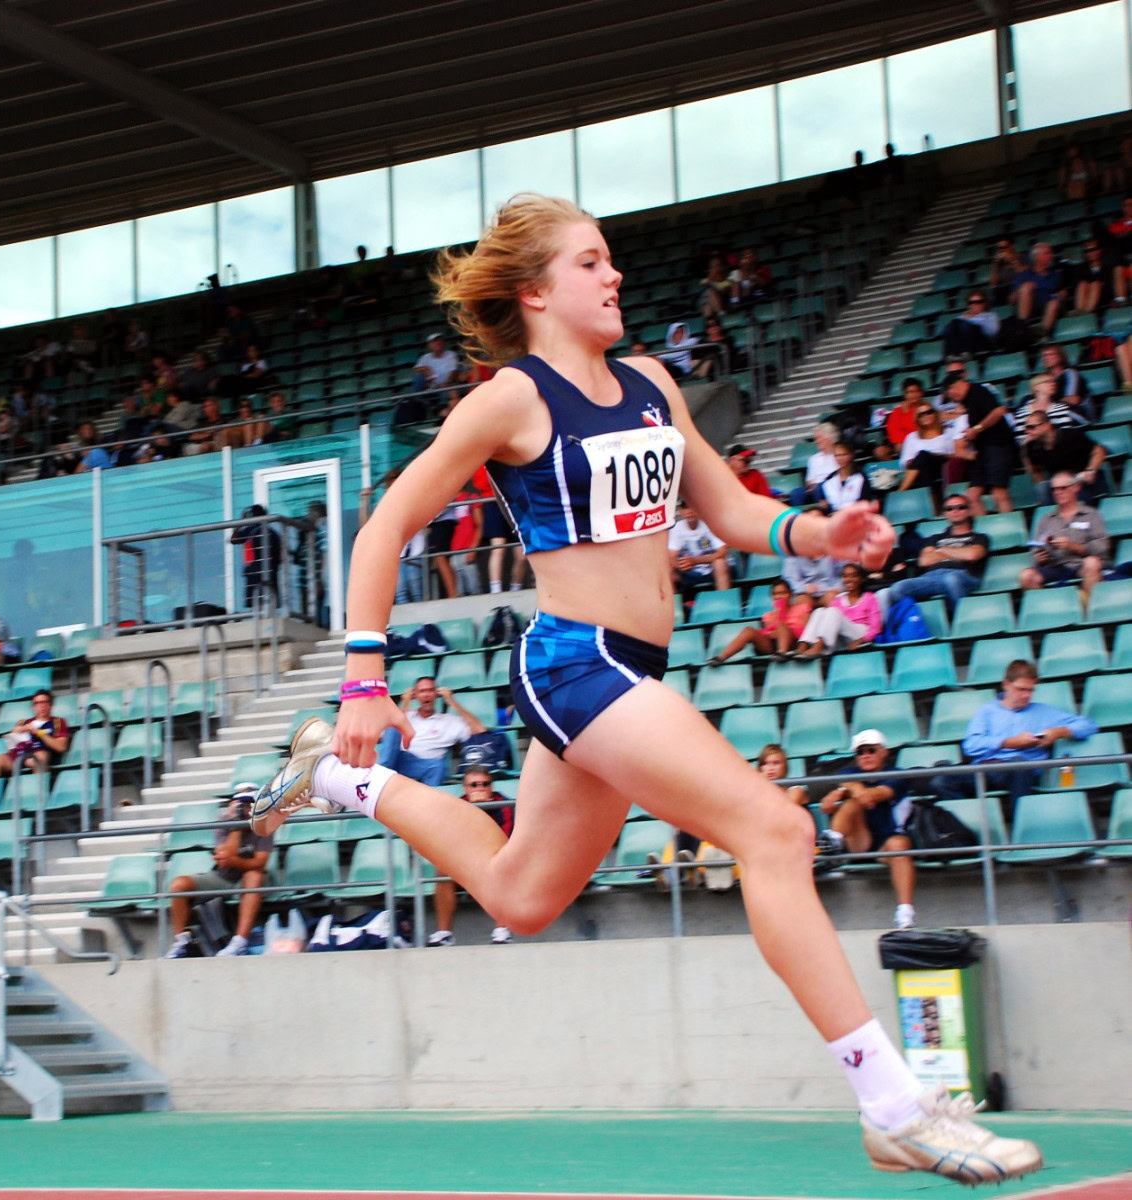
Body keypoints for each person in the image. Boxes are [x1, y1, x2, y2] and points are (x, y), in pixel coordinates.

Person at [245, 194, 1038, 1183]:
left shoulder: (653, 382)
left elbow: (731, 508)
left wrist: (815, 534)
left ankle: (335, 781)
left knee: (519, 893)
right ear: (535, 291)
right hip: (576, 659)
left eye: (611, 259)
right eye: (589, 263)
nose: (613, 276)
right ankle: (892, 1104)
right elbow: (383, 527)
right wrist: (365, 678)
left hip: (635, 666)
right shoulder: (511, 400)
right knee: (777, 832)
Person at [936, 659, 1097, 818]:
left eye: (1030, 690)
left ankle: (1021, 834)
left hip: (1021, 769)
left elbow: (1088, 725)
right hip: (987, 769)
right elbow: (971, 746)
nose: (1026, 695)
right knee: (941, 781)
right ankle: (966, 830)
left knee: (1019, 765)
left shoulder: (1043, 712)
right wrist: (1011, 742)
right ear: (1006, 684)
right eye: (1021, 689)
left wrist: (1058, 732)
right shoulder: (987, 711)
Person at [818, 731, 917, 930]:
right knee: (853, 802)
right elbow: (826, 806)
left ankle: (905, 911)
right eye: (860, 752)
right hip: (859, 841)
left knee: (900, 844)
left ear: (884, 752)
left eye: (871, 750)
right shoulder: (849, 774)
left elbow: (876, 795)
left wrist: (849, 788)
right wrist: (848, 790)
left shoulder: (896, 774)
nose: (865, 755)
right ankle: (834, 840)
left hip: (886, 844)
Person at [163, 784, 272, 959]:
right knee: (179, 885)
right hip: (223, 876)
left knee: (254, 876)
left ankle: (239, 942)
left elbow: (259, 863)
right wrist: (236, 826)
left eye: (248, 803)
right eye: (239, 802)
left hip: (251, 876)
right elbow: (224, 858)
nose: (243, 808)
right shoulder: (223, 823)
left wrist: (234, 861)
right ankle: (182, 942)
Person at [428, 767, 515, 946]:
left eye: (485, 784)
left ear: (492, 787)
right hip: (466, 863)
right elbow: (450, 843)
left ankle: (502, 930)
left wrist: (484, 811)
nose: (480, 788)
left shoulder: (503, 805)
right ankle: (444, 933)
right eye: (474, 785)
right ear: (465, 789)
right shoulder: (457, 807)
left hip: (495, 860)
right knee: (443, 872)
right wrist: (474, 810)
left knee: (505, 865)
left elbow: (505, 843)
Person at [885, 496, 989, 614]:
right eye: (949, 508)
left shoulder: (979, 537)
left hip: (963, 575)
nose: (955, 511)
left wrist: (941, 550)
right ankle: (915, 624)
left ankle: (962, 621)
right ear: (945, 513)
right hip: (931, 578)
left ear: (969, 510)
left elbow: (972, 555)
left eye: (961, 507)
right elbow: (924, 561)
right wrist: (960, 553)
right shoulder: (935, 538)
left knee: (951, 579)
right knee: (898, 588)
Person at [376, 676, 486, 787]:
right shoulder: (406, 716)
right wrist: (405, 703)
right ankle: (379, 782)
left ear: (437, 694)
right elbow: (385, 738)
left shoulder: (449, 721)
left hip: (425, 765)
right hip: (398, 759)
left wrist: (452, 702)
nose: (426, 695)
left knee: (438, 766)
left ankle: (429, 802)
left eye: (430, 690)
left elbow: (480, 729)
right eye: (422, 691)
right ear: (415, 696)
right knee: (393, 725)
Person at [1018, 473, 1109, 603]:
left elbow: (1102, 547)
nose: (1058, 492)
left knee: (1092, 563)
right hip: (1056, 566)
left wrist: (1073, 546)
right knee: (1026, 576)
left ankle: (1089, 610)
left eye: (1063, 488)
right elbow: (1036, 548)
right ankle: (1049, 611)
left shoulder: (1091, 515)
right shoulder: (1046, 520)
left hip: (1081, 564)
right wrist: (1039, 558)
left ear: (1075, 488)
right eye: (1054, 489)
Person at [0, 690, 70, 803]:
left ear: (51, 705)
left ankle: (37, 795)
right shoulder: (23, 722)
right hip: (19, 754)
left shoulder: (58, 722)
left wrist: (38, 732)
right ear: (33, 707)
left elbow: (61, 747)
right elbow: (11, 747)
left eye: (45, 702)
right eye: (37, 703)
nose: (41, 706)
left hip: (40, 754)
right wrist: (15, 733)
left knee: (39, 757)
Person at [944, 370, 1015, 516]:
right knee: (972, 495)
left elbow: (998, 412)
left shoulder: (978, 391)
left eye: (951, 391)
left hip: (998, 445)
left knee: (999, 492)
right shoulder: (965, 403)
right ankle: (983, 527)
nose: (952, 396)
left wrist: (977, 428)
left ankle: (1007, 523)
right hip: (981, 451)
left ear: (957, 385)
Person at [708, 579, 812, 665]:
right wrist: (781, 620)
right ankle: (721, 658)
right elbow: (770, 634)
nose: (778, 597)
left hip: (794, 644)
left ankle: (782, 653)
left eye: (782, 593)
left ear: (790, 594)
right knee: (748, 630)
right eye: (775, 594)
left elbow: (805, 632)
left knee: (781, 625)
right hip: (772, 647)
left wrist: (783, 628)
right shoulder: (769, 615)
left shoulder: (802, 608)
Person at [792, 564, 882, 658]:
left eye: (853, 576)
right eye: (845, 576)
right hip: (842, 638)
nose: (849, 579)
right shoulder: (838, 600)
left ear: (861, 579)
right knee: (819, 611)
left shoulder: (870, 598)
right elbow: (831, 624)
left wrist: (862, 640)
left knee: (833, 611)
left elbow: (876, 627)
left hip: (860, 634)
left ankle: (818, 647)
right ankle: (803, 645)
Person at [1020, 410, 1107, 504]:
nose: (1028, 431)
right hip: (1060, 486)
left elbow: (1099, 451)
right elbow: (1035, 471)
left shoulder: (1070, 435)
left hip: (1084, 481)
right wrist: (1024, 450)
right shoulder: (1032, 446)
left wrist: (1091, 471)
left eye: (1031, 427)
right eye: (1026, 428)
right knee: (1043, 488)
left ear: (1047, 425)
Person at [668, 499, 732, 597]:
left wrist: (695, 561)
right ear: (681, 512)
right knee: (668, 568)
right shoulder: (677, 528)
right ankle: (675, 609)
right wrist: (682, 565)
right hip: (691, 572)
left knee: (720, 562)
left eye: (692, 507)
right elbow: (671, 557)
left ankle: (724, 602)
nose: (689, 511)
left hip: (712, 570)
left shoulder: (710, 524)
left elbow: (722, 552)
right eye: (685, 508)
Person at [897, 403, 955, 499]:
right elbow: (906, 462)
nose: (926, 416)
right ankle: (934, 504)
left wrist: (932, 455)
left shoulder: (948, 432)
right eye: (921, 414)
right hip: (922, 469)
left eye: (929, 412)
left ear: (935, 414)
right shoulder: (912, 437)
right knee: (923, 465)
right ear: (917, 419)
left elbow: (954, 455)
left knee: (923, 455)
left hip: (943, 465)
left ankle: (901, 491)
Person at [813, 442, 871, 513]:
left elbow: (865, 502)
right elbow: (825, 505)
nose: (840, 458)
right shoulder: (829, 480)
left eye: (844, 455)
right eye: (837, 455)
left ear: (851, 455)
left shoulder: (860, 477)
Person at [758, 744, 809, 808]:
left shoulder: (796, 790)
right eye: (765, 764)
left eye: (776, 763)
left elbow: (782, 810)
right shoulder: (759, 793)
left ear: (785, 766)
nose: (770, 768)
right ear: (760, 767)